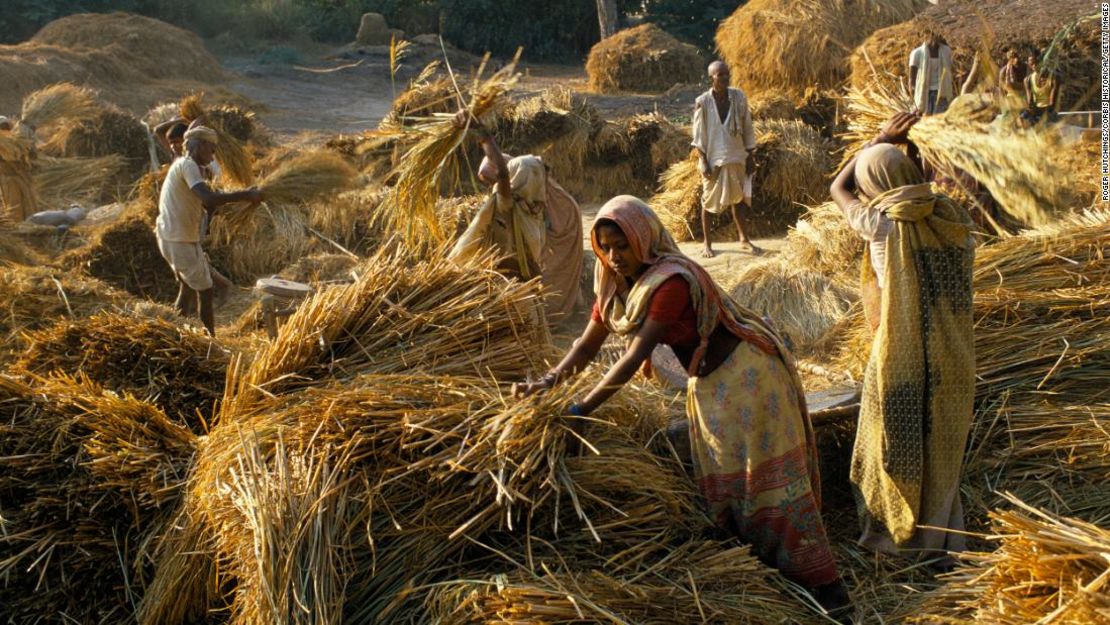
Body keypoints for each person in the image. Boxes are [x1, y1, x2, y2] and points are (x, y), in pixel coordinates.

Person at [514, 195, 850, 618]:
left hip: (749, 377)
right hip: (710, 383)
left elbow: (633, 356)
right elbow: (586, 344)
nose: (615, 256)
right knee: (730, 484)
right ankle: (769, 573)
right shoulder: (614, 283)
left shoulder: (670, 280)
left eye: (623, 245)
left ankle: (828, 591)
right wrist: (545, 383)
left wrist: (582, 410)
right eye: (606, 246)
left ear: (643, 238)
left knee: (770, 485)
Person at [829, 113, 976, 564]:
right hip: (951, 355)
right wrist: (903, 155)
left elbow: (838, 187)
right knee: (940, 446)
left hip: (901, 356)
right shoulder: (950, 218)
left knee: (895, 443)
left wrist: (877, 139)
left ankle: (897, 539)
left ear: (876, 185)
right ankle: (942, 540)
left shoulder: (879, 223)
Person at [156, 126, 262, 335]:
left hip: (175, 236)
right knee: (205, 291)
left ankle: (176, 331)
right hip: (178, 239)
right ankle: (210, 340)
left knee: (187, 286)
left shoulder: (186, 166)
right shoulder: (188, 166)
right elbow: (208, 198)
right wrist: (246, 196)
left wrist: (224, 204)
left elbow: (207, 202)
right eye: (212, 150)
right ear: (201, 145)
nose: (213, 155)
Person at [474, 142, 584, 321]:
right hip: (522, 270)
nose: (492, 186)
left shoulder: (532, 189)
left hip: (562, 228)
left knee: (560, 269)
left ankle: (561, 308)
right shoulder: (517, 195)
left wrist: (484, 138)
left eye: (493, 181)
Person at [448, 116, 547, 283]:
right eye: (535, 175)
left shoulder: (534, 210)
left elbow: (503, 172)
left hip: (524, 287)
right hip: (505, 286)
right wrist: (481, 132)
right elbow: (502, 172)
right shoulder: (507, 205)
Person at [691, 61, 761, 258]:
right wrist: (703, 160)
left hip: (737, 156)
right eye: (719, 75)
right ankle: (707, 243)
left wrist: (750, 155)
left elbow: (747, 127)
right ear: (711, 78)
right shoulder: (702, 102)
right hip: (714, 158)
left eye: (726, 74)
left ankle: (744, 239)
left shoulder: (738, 97)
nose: (724, 78)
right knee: (708, 202)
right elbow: (698, 136)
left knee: (738, 201)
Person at [0, 115, 39, 221]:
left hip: (23, 178)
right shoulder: (3, 144)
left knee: (29, 203)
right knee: (14, 206)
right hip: (9, 180)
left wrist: (29, 136)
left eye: (6, 127)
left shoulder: (15, 141)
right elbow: (10, 157)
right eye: (2, 127)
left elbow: (32, 156)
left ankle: (31, 225)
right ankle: (17, 228)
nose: (4, 130)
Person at [908, 31, 955, 116]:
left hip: (942, 93)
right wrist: (914, 101)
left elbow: (949, 71)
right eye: (932, 34)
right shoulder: (917, 53)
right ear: (926, 34)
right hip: (925, 94)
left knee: (940, 121)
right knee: (925, 120)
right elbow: (911, 80)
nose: (936, 37)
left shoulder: (946, 51)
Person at [1023, 50, 1058, 124]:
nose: (1034, 66)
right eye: (1032, 64)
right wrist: (1031, 112)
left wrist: (1039, 116)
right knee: (1022, 120)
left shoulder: (1053, 78)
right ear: (1029, 65)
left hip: (1048, 109)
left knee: (1043, 122)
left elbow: (1052, 103)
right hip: (1036, 109)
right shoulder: (1027, 80)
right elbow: (1030, 102)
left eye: (1036, 63)